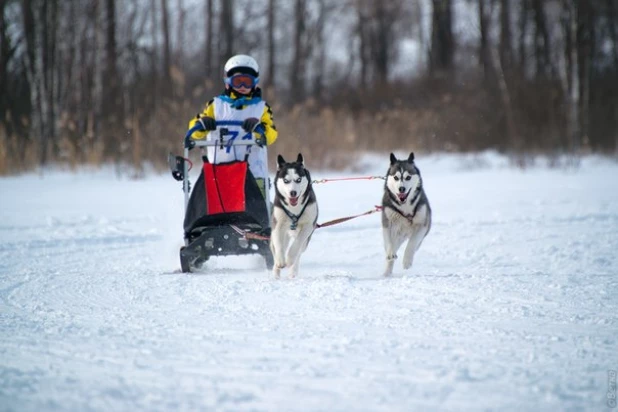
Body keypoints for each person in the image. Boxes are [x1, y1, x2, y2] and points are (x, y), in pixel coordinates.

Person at [185, 54, 278, 198]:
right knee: (221, 211)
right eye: (237, 81)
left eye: (247, 82)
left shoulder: (261, 108)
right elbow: (194, 130)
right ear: (228, 82)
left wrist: (260, 129)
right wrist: (203, 124)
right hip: (220, 172)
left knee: (255, 212)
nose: (242, 87)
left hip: (253, 173)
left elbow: (271, 135)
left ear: (255, 83)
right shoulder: (215, 105)